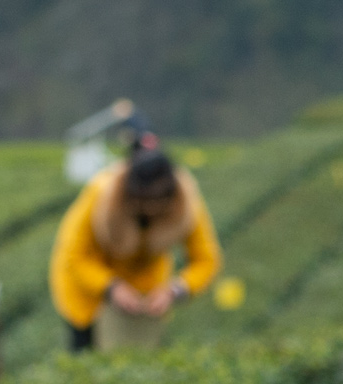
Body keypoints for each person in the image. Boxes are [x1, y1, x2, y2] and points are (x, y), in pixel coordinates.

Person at [49, 142, 220, 351]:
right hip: (88, 293)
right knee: (87, 360)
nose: (151, 210)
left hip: (146, 296)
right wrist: (111, 287)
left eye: (159, 205)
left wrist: (175, 290)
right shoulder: (101, 195)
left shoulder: (186, 204)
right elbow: (73, 256)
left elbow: (206, 259)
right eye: (143, 203)